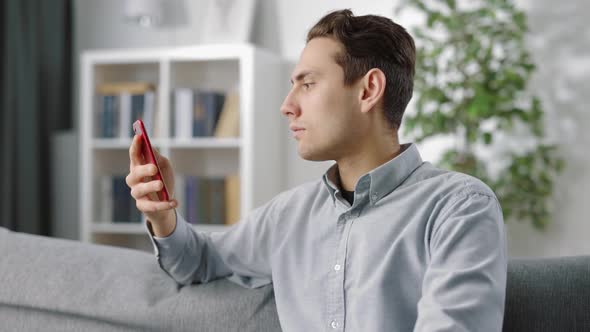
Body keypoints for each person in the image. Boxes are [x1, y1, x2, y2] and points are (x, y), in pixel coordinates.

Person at [126, 9, 507, 332]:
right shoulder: (288, 216)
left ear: (368, 90)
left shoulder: (459, 207)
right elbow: (199, 261)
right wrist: (162, 214)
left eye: (307, 84)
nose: (287, 106)